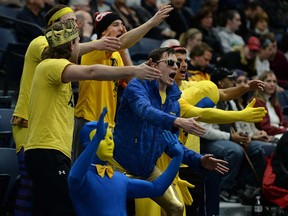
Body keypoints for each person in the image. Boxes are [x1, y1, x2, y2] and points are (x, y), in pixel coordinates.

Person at [24, 19, 161, 216]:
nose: (80, 47)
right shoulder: (51, 65)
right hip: (47, 150)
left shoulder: (51, 67)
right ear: (71, 45)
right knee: (67, 208)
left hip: (50, 150)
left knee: (46, 209)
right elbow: (91, 71)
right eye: (78, 42)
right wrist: (134, 70)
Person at [11, 4, 122, 216]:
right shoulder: (40, 43)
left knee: (43, 193)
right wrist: (97, 42)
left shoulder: (64, 57)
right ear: (54, 26)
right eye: (69, 22)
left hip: (51, 127)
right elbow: (70, 53)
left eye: (76, 23)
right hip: (29, 123)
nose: (75, 26)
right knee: (30, 185)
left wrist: (150, 24)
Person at [111, 47, 230, 216]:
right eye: (170, 62)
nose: (176, 66)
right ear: (153, 65)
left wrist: (200, 159)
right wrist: (177, 121)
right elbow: (145, 110)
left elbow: (170, 143)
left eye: (178, 63)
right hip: (119, 164)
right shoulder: (137, 86)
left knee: (176, 207)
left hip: (147, 169)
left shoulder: (173, 101)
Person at [73, 6, 173, 161]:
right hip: (88, 119)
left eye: (122, 24)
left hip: (109, 124)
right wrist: (151, 23)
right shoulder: (94, 49)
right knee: (82, 172)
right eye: (115, 25)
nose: (122, 28)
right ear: (103, 32)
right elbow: (121, 43)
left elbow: (132, 82)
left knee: (102, 174)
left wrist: (125, 52)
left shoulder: (117, 56)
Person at [68, 107, 184, 216]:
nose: (110, 142)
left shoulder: (119, 178)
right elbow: (74, 177)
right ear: (87, 144)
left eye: (110, 138)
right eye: (103, 138)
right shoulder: (83, 178)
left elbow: (157, 189)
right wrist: (97, 139)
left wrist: (178, 157)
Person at [253, 70, 288, 140]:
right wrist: (285, 130)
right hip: (269, 136)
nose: (272, 84)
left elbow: (284, 122)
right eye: (268, 81)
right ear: (261, 83)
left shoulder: (274, 102)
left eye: (274, 82)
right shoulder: (256, 102)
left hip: (281, 134)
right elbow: (265, 128)